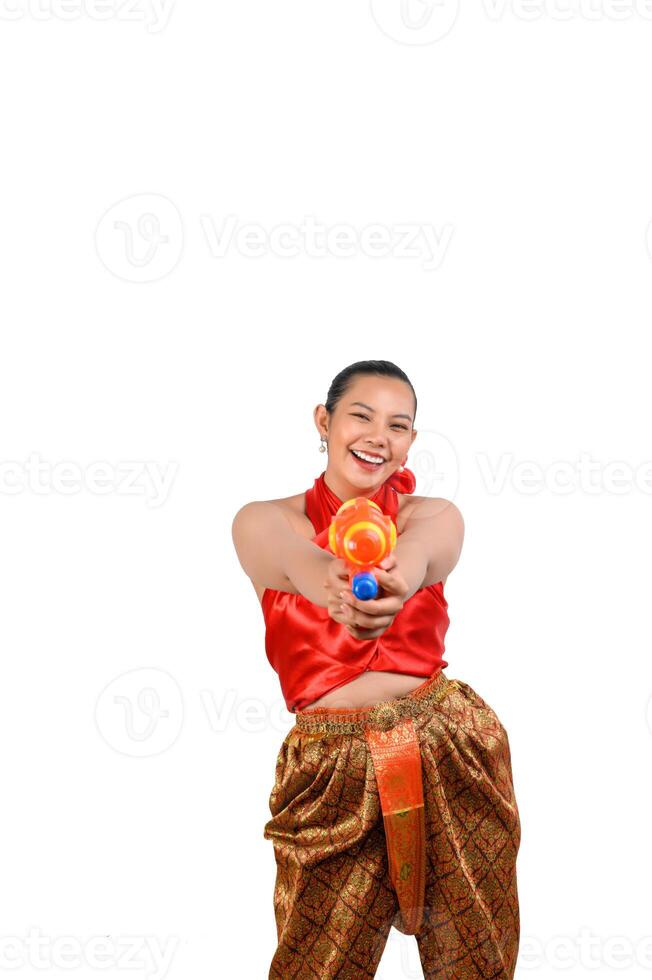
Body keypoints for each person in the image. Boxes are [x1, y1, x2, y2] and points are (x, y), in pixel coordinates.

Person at [231, 359, 521, 979]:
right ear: (324, 421)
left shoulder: (431, 515)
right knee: (317, 964)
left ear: (411, 441)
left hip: (451, 744)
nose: (377, 435)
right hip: (331, 767)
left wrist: (399, 580)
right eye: (360, 415)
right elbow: (296, 563)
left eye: (398, 425)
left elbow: (421, 557)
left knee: (476, 958)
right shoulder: (265, 520)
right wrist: (330, 584)